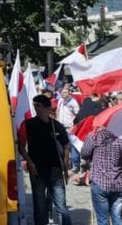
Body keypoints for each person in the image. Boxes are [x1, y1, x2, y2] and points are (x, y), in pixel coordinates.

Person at [20, 93, 73, 225]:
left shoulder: (57, 126)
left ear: (47, 108)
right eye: (34, 105)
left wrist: (65, 167)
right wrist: (29, 162)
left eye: (38, 105)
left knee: (61, 205)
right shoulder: (27, 124)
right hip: (37, 170)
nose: (35, 108)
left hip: (55, 170)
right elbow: (20, 146)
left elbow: (66, 145)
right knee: (40, 206)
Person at [81, 125, 122, 225]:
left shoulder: (94, 135)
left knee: (102, 219)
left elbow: (84, 153)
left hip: (99, 182)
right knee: (117, 218)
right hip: (118, 183)